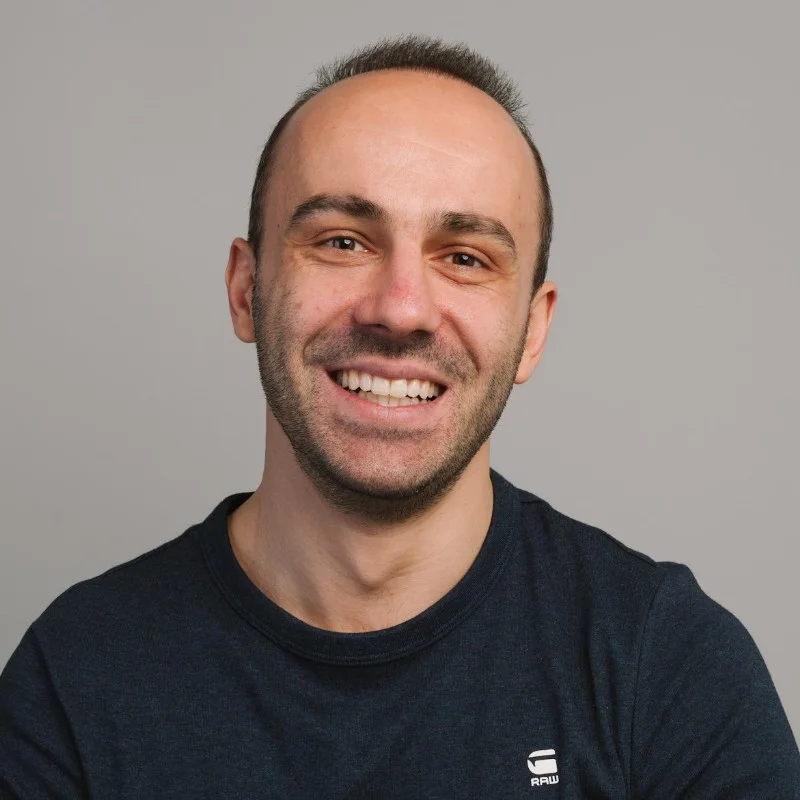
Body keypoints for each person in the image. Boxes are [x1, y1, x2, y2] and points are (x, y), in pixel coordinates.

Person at [1, 35, 798, 799]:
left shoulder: (663, 666)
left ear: (533, 330)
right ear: (246, 289)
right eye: (344, 240)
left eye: (465, 258)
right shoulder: (76, 677)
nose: (402, 309)